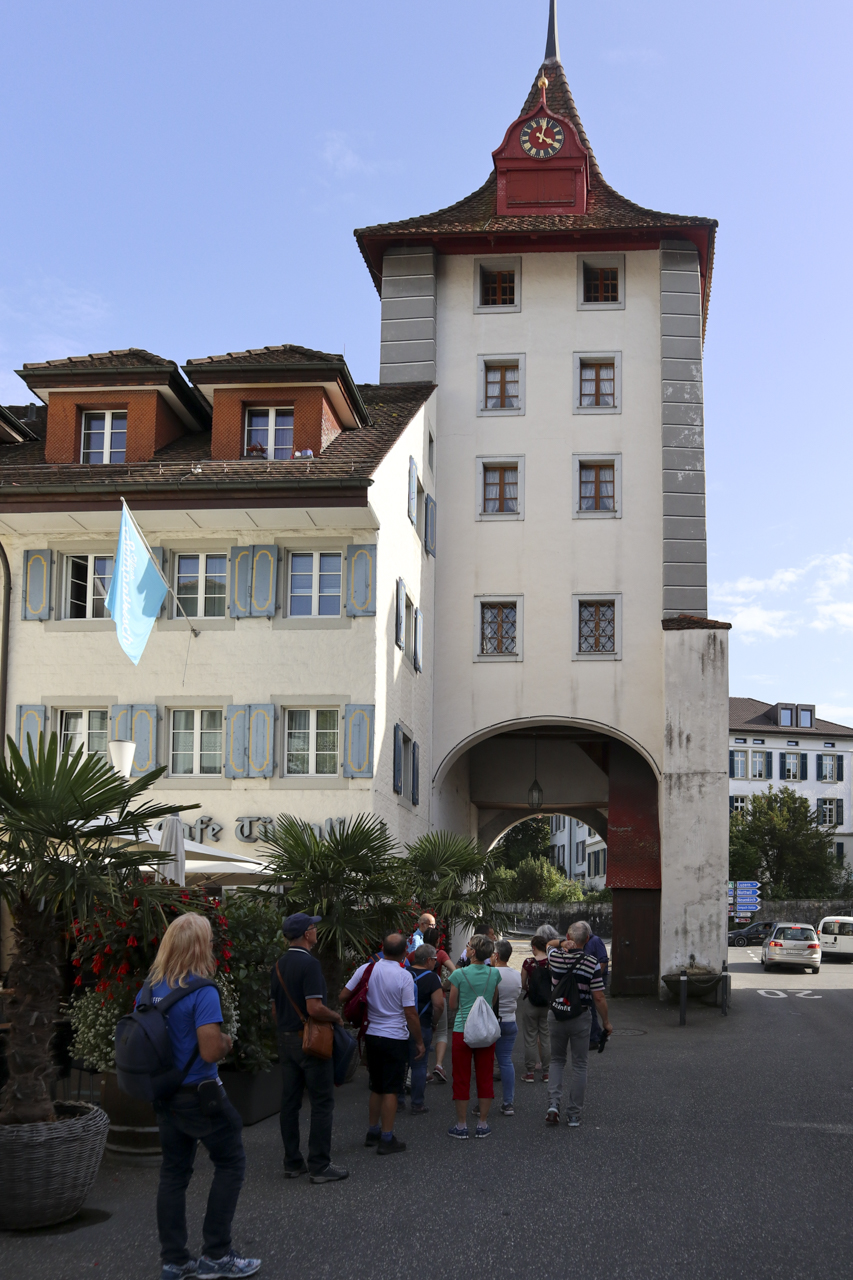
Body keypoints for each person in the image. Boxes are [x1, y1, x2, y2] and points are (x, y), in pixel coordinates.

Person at [142, 912, 261, 1280]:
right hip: (201, 1094)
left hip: (166, 1094)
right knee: (231, 1163)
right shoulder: (202, 990)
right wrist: (226, 1041)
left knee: (173, 1174)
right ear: (199, 946)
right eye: (208, 940)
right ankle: (217, 1254)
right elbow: (210, 1051)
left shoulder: (149, 988)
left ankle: (174, 1260)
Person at [271, 913, 348, 1185]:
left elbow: (274, 1008)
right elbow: (314, 1007)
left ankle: (292, 1161)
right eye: (314, 928)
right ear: (306, 934)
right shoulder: (310, 965)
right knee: (321, 1102)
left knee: (289, 1102)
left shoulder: (279, 964)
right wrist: (336, 1017)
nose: (316, 931)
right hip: (310, 1040)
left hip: (286, 1037)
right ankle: (319, 1164)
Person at [339, 932, 425, 1154]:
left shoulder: (367, 969)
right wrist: (419, 1041)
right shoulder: (404, 976)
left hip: (371, 1035)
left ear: (382, 949)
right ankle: (387, 1138)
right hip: (394, 1037)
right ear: (405, 953)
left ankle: (372, 1131)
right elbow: (410, 1013)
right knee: (391, 1089)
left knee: (376, 1086)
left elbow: (343, 995)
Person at [545, 922, 613, 1129]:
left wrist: (563, 942)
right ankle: (573, 1114)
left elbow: (548, 943)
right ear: (588, 940)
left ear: (568, 936)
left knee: (556, 1060)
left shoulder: (555, 957)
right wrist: (606, 1023)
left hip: (556, 1014)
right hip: (580, 1017)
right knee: (579, 1064)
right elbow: (599, 997)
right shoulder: (591, 962)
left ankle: (553, 1105)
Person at [446, 934, 501, 1139]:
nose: (466, 948)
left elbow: (452, 1004)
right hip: (485, 1029)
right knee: (485, 1074)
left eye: (468, 946)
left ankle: (461, 1126)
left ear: (473, 952)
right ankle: (482, 1124)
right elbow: (493, 998)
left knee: (461, 1076)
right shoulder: (493, 973)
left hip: (463, 1029)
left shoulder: (459, 975)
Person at [397, 943, 443, 1114]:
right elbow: (439, 1004)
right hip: (422, 1024)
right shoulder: (432, 978)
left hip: (401, 1024)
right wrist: (434, 1022)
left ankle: (399, 1101)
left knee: (401, 1064)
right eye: (435, 960)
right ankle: (417, 1103)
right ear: (429, 960)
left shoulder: (403, 973)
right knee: (419, 1065)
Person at [492, 939, 522, 1116]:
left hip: (492, 1022)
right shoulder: (516, 975)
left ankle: (483, 1103)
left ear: (496, 955)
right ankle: (508, 1102)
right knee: (506, 1061)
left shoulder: (491, 973)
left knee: (486, 1062)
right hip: (510, 1020)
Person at [422, 925, 455, 1083]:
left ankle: (424, 1068)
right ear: (437, 941)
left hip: (421, 997)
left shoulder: (416, 954)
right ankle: (439, 1065)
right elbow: (455, 971)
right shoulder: (440, 954)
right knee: (441, 1032)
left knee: (423, 1032)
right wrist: (445, 986)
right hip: (438, 995)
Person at [519, 935, 551, 1083]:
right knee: (545, 1037)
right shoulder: (551, 962)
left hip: (531, 1002)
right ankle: (547, 1072)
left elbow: (523, 983)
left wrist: (530, 988)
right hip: (547, 1003)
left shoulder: (529, 963)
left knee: (530, 1037)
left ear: (534, 947)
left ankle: (530, 1072)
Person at [584, 925, 610, 1048]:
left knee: (592, 1007)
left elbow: (603, 960)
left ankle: (594, 1038)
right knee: (591, 1007)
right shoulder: (585, 942)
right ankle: (598, 1034)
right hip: (589, 978)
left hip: (596, 977)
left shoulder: (595, 941)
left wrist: (595, 976)